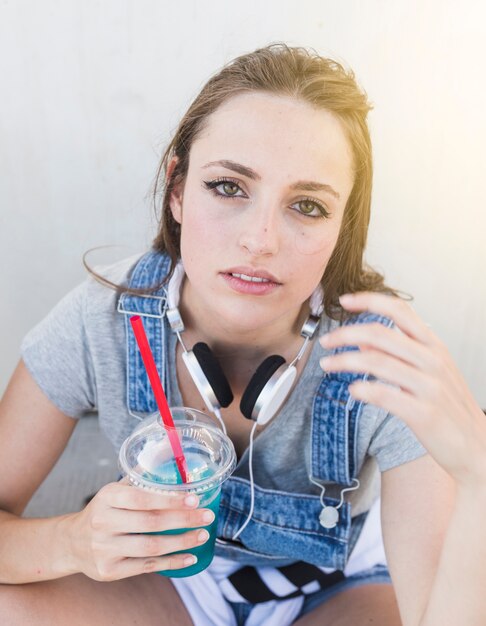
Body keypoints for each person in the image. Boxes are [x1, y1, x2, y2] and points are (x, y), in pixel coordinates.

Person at [0, 42, 485, 626]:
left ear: (342, 227)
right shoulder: (102, 318)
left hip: (341, 586)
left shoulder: (381, 361)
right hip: (170, 581)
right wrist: (74, 542)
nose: (261, 240)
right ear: (177, 189)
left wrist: (478, 482)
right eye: (229, 186)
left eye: (306, 205)